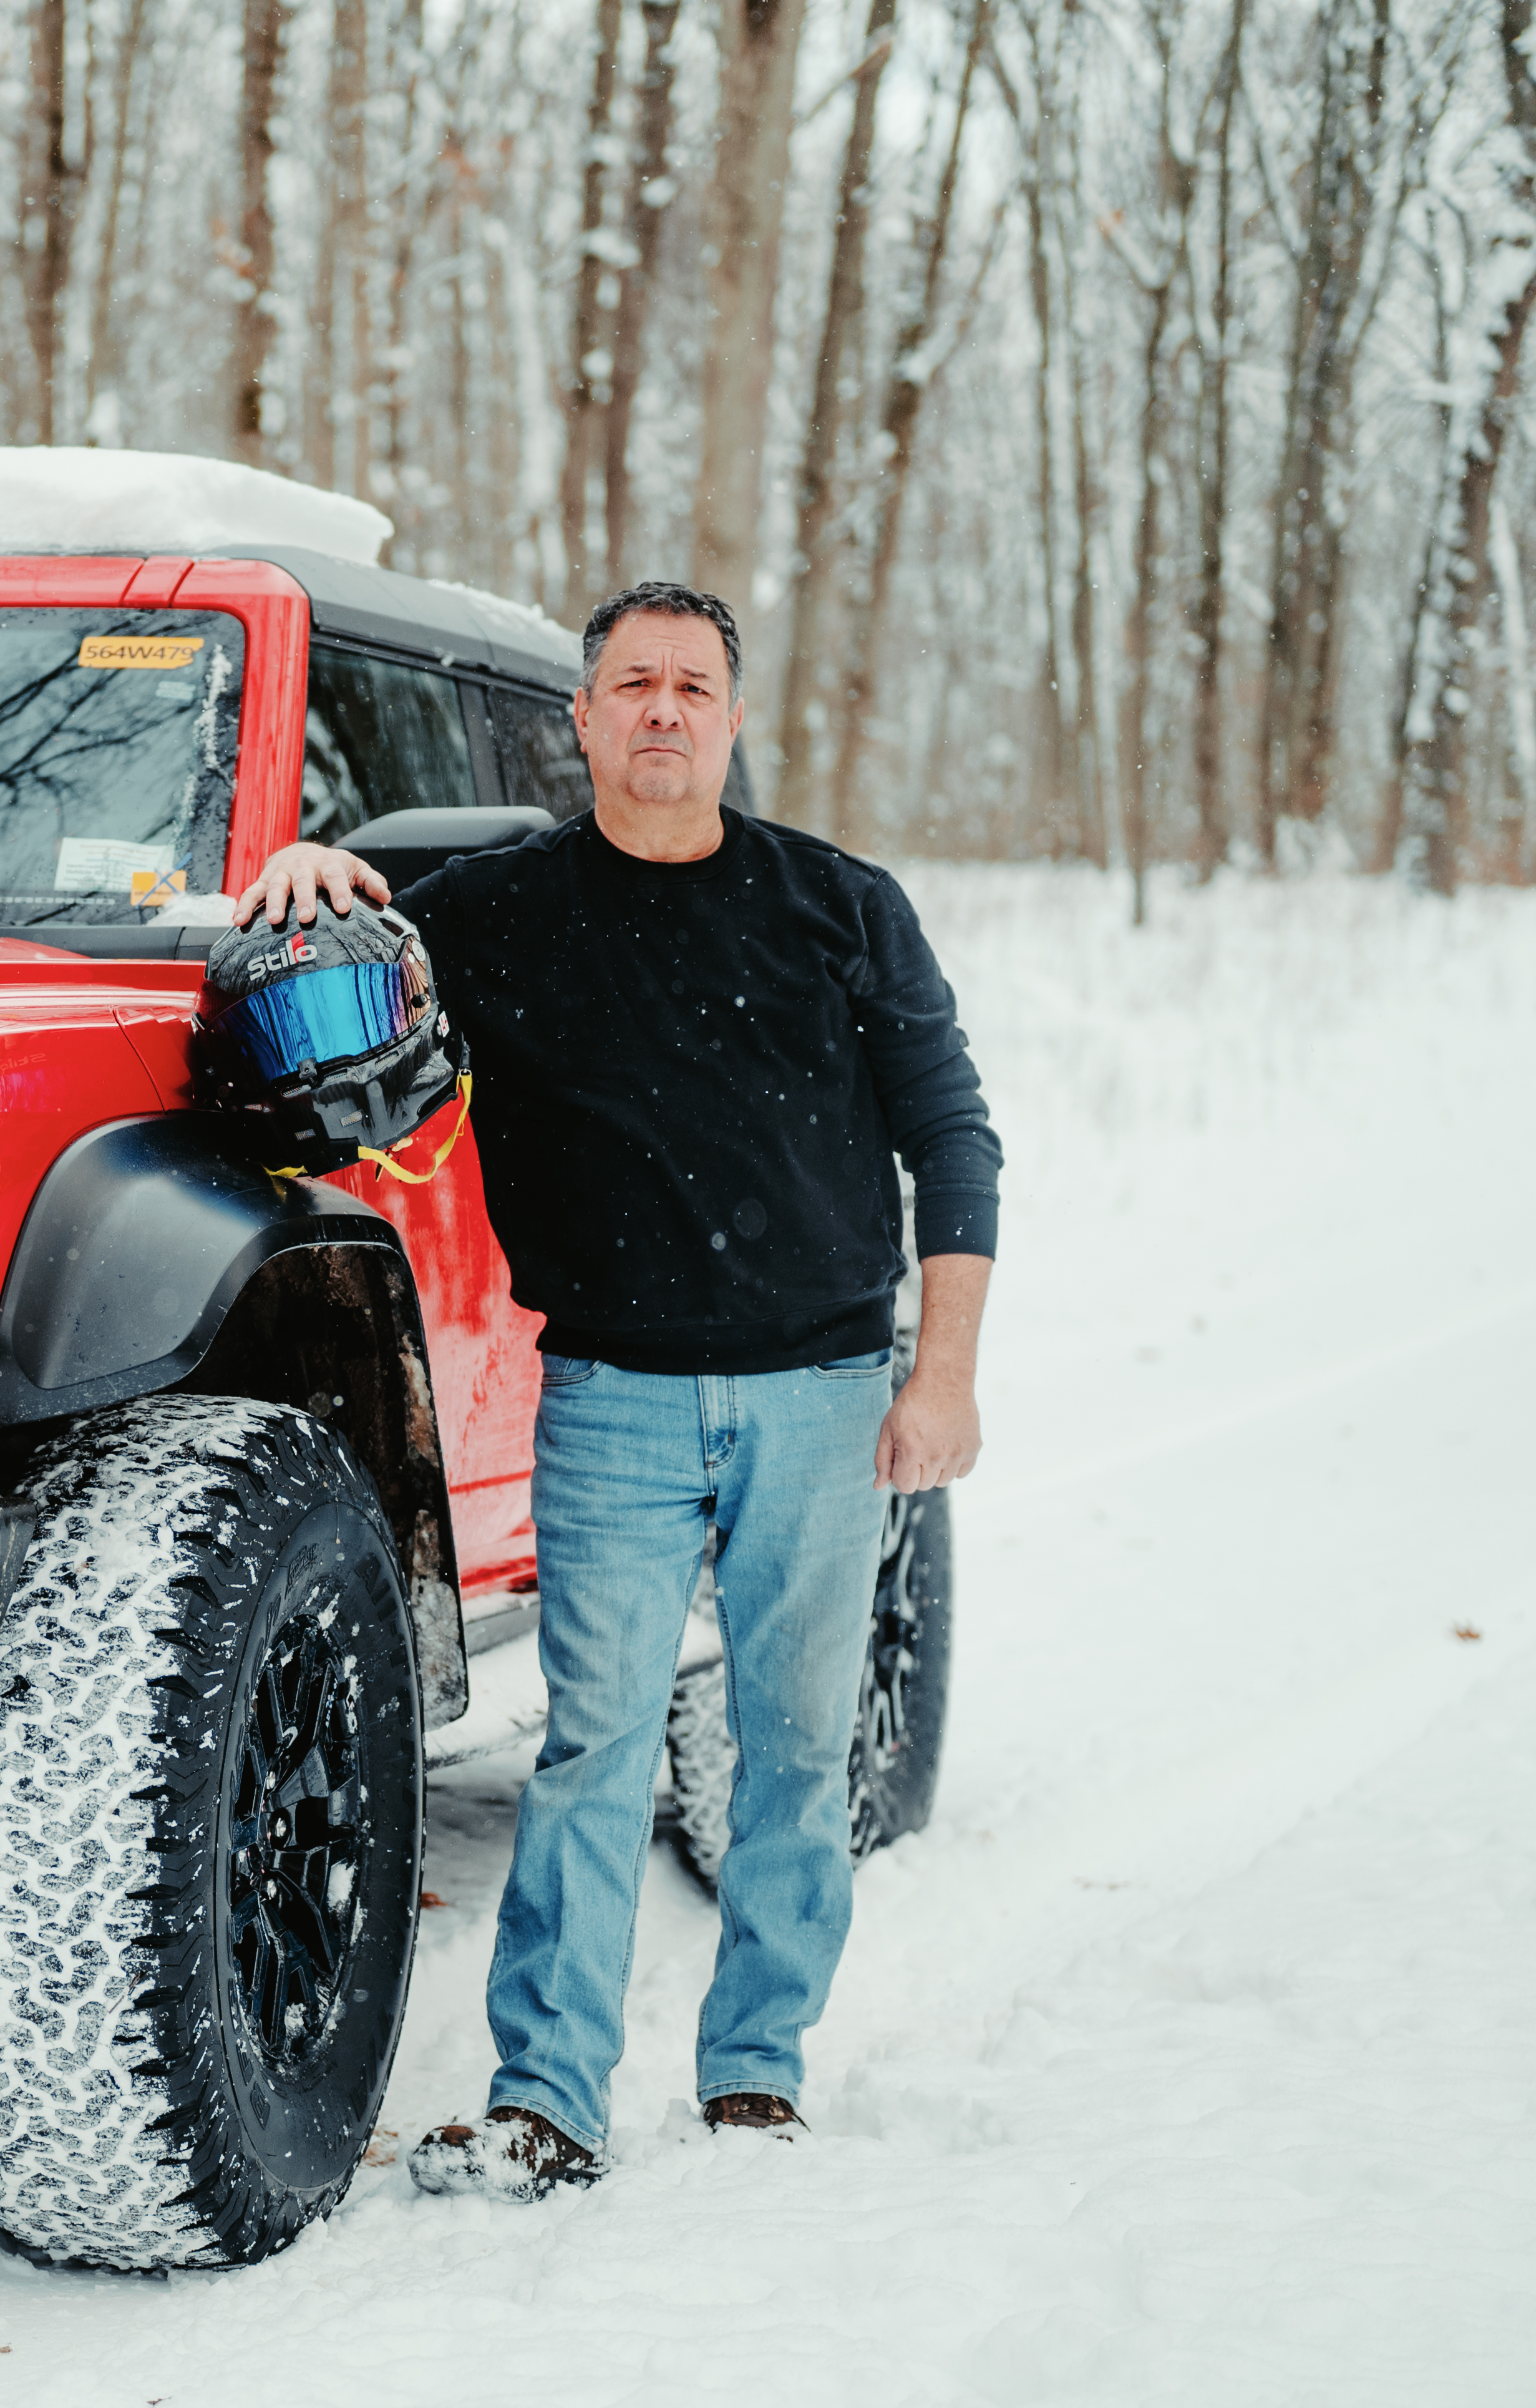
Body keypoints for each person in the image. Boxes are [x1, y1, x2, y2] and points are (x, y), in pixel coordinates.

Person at [231, 580, 1001, 2201]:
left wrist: (942, 1374)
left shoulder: (839, 906)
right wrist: (299, 868)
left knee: (792, 1754)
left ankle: (753, 2074)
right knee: (592, 1747)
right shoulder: (495, 907)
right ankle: (546, 2101)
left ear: (731, 717)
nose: (661, 708)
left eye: (691, 685)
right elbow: (349, 949)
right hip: (613, 1399)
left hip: (820, 1393)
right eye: (631, 684)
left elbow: (953, 1138)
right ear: (579, 720)